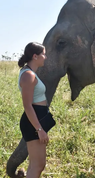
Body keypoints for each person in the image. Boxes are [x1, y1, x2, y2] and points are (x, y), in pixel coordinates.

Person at [18, 42, 55, 178]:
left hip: (36, 119)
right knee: (38, 165)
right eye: (43, 54)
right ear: (35, 56)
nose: (45, 57)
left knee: (36, 164)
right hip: (33, 121)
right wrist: (39, 129)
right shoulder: (28, 75)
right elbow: (27, 105)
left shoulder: (30, 73)